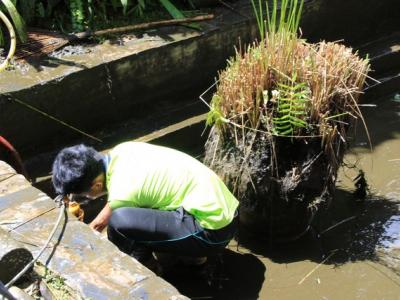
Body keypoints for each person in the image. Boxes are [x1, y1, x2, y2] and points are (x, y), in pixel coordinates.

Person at [52, 142, 239, 271]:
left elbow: (97, 227)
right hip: (227, 210)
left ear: (97, 186)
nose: (85, 198)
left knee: (119, 224)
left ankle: (150, 267)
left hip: (213, 234)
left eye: (85, 194)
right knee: (143, 209)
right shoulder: (123, 150)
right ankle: (193, 258)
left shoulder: (123, 192)